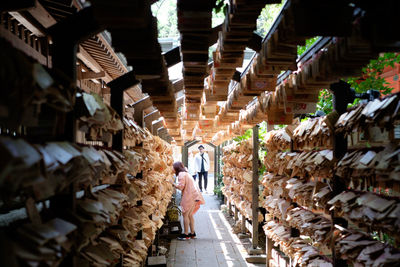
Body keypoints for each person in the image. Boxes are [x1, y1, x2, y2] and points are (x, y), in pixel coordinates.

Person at [173, 162, 205, 240]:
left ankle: (186, 234)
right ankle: (192, 233)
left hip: (189, 196)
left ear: (176, 168)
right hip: (195, 195)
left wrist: (172, 183)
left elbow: (181, 187)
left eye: (173, 167)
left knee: (185, 215)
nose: (172, 169)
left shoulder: (181, 174)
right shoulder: (186, 173)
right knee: (190, 215)